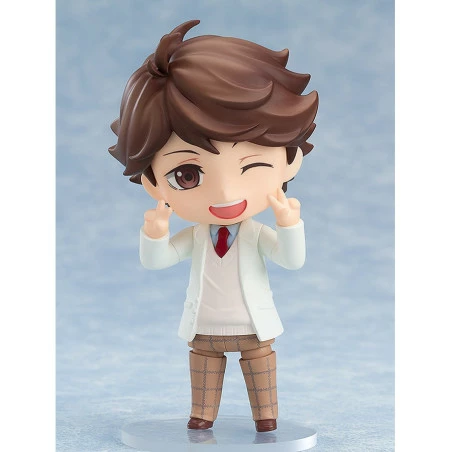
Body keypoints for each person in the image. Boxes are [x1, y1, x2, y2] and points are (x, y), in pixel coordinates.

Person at [109, 19, 319, 433]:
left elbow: (291, 260)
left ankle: (266, 416)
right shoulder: (197, 237)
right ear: (152, 182)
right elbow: (158, 261)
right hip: (204, 325)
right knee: (203, 368)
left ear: (290, 160)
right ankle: (202, 415)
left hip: (253, 325)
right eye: (187, 175)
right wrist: (155, 234)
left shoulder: (255, 234)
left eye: (252, 166)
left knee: (260, 367)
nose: (225, 193)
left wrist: (290, 225)